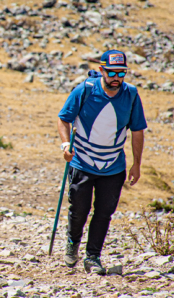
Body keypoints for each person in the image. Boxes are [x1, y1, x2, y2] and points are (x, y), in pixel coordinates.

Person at [56, 50, 147, 274]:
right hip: (81, 162)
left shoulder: (132, 95)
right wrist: (66, 145)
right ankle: (72, 243)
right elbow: (63, 119)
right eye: (112, 72)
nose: (116, 77)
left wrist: (137, 164)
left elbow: (137, 131)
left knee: (104, 213)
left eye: (122, 73)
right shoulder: (85, 90)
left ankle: (92, 257)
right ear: (101, 71)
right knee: (79, 209)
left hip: (114, 166)